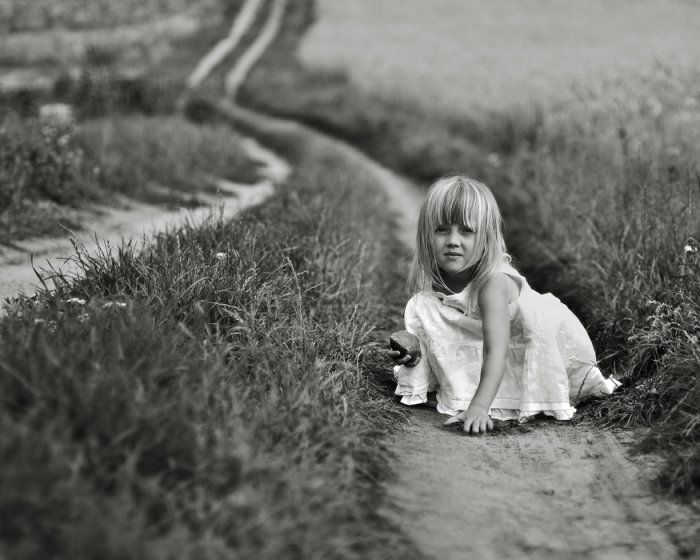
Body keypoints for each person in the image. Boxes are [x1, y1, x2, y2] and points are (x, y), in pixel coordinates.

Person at [389, 175, 620, 434]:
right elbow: (449, 333)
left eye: (466, 230)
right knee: (425, 305)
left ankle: (498, 395)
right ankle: (461, 387)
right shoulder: (439, 281)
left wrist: (479, 407)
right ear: (427, 235)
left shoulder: (493, 285)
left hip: (540, 345)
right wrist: (415, 355)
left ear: (485, 236)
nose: (453, 240)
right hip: (496, 341)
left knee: (490, 349)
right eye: (442, 229)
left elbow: (495, 351)